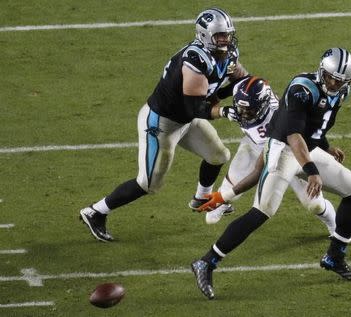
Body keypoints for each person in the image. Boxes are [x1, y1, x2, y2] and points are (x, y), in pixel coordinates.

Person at [191, 48, 351, 300]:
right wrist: (312, 172)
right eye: (330, 77)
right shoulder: (301, 90)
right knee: (262, 212)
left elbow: (315, 126)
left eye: (340, 80)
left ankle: (334, 256)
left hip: (307, 148)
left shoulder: (341, 92)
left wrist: (326, 147)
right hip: (283, 149)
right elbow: (294, 136)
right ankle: (206, 262)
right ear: (322, 71)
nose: (334, 83)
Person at [79, 7, 248, 242]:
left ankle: (202, 198)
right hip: (161, 123)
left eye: (227, 34)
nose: (225, 40)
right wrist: (224, 111)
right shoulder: (195, 60)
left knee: (218, 155)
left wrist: (247, 85)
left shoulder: (228, 53)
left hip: (186, 119)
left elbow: (226, 84)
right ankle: (96, 211)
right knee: (148, 183)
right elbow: (195, 107)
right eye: (220, 35)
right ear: (204, 35)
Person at [194, 75, 336, 236]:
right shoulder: (244, 92)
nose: (244, 113)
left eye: (249, 110)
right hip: (254, 144)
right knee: (217, 207)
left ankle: (335, 226)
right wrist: (221, 108)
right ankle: (225, 203)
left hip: (287, 153)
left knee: (314, 204)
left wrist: (326, 147)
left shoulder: (279, 117)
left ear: (263, 104)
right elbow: (237, 81)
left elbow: (306, 132)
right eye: (241, 108)